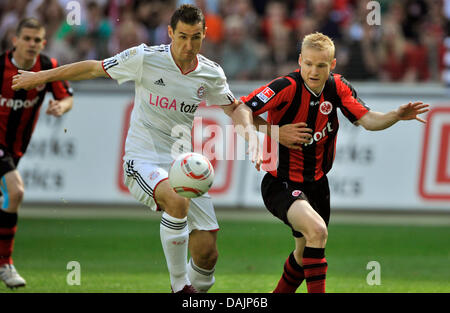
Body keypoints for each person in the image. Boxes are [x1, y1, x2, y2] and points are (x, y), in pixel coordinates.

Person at [12, 5, 261, 293]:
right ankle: (180, 288)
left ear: (205, 35)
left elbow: (236, 108)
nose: (188, 45)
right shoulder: (145, 58)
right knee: (177, 202)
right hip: (142, 160)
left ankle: (192, 289)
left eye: (195, 37)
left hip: (181, 164)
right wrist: (38, 77)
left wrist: (254, 138)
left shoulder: (210, 73)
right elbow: (93, 67)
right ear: (170, 33)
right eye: (182, 36)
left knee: (207, 255)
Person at [241, 32, 429, 293]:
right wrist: (276, 132)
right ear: (300, 61)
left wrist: (395, 115)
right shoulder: (286, 87)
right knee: (317, 231)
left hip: (318, 184)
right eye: (307, 64)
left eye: (321, 65)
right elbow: (240, 111)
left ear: (332, 65)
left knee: (303, 254)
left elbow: (369, 120)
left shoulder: (338, 87)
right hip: (280, 182)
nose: (313, 71)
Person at [0, 18, 74, 289]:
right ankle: (5, 265)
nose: (32, 44)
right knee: (16, 191)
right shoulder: (1, 67)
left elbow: (67, 97)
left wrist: (60, 108)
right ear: (15, 39)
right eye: (27, 38)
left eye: (37, 40)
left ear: (43, 42)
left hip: (16, 148)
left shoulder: (47, 67)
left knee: (8, 197)